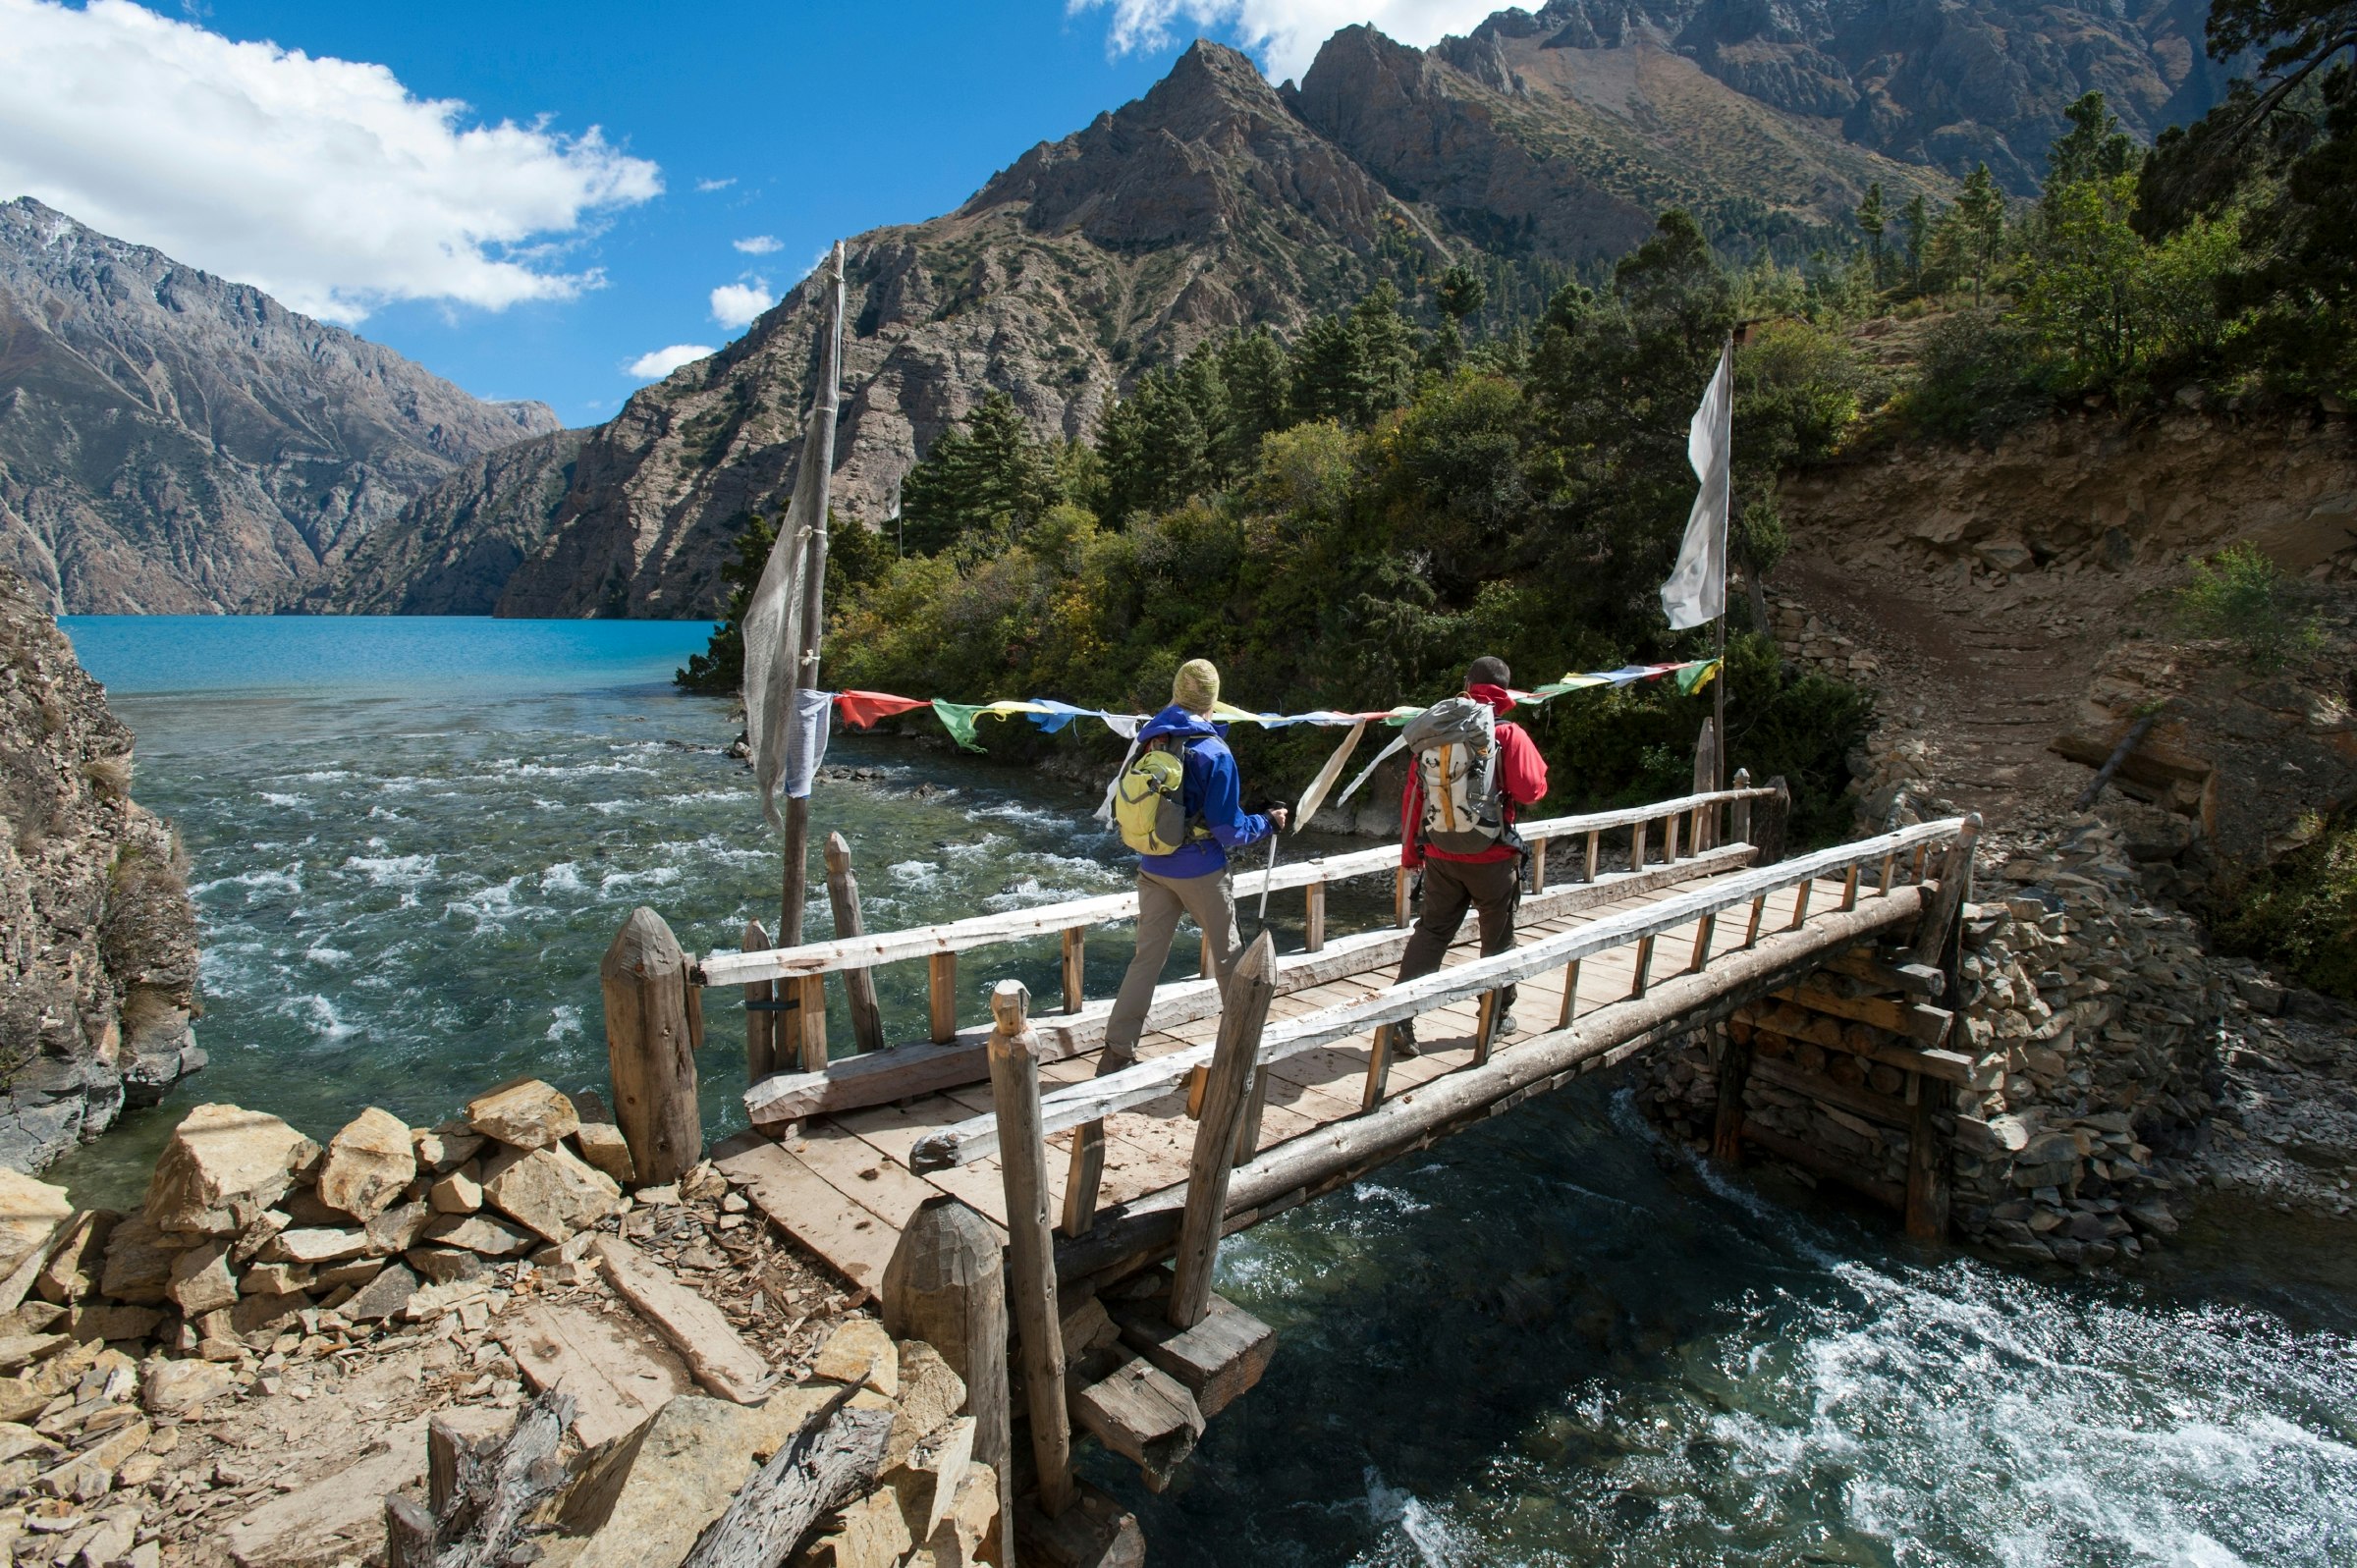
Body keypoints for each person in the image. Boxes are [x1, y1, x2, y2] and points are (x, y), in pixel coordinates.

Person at [1103, 659, 1286, 1063]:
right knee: (1229, 959)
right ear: (1213, 701)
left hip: (1153, 865)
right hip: (1201, 870)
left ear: (1177, 694)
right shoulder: (1214, 751)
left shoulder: (1152, 739)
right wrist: (1268, 823)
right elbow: (1229, 830)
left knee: (1146, 960)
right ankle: (1243, 1047)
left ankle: (1117, 1049)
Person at [1390, 655, 1548, 1054]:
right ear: (1505, 689)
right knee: (1497, 940)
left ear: (1467, 683)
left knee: (1432, 933)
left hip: (1441, 853)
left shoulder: (1434, 731)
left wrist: (1412, 855)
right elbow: (1531, 790)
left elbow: (1413, 799)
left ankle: (1399, 1018)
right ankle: (1496, 1017)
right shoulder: (1507, 733)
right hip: (1491, 856)